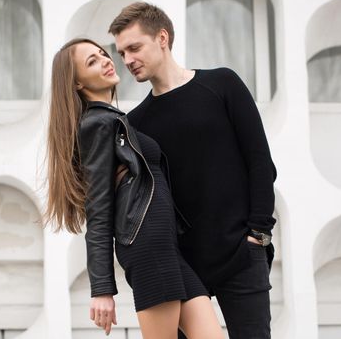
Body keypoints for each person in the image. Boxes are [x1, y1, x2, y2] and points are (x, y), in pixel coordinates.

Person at [109, 2, 277, 339]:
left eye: (134, 47)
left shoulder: (222, 84)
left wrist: (257, 235)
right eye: (121, 52)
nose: (127, 60)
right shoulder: (137, 123)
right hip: (182, 266)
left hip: (241, 253)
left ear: (162, 37)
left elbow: (260, 161)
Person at [43, 38, 224, 339]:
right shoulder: (98, 125)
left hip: (167, 247)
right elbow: (98, 211)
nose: (105, 59)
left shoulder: (116, 121)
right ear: (75, 83)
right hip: (148, 247)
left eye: (102, 53)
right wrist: (101, 289)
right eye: (92, 61)